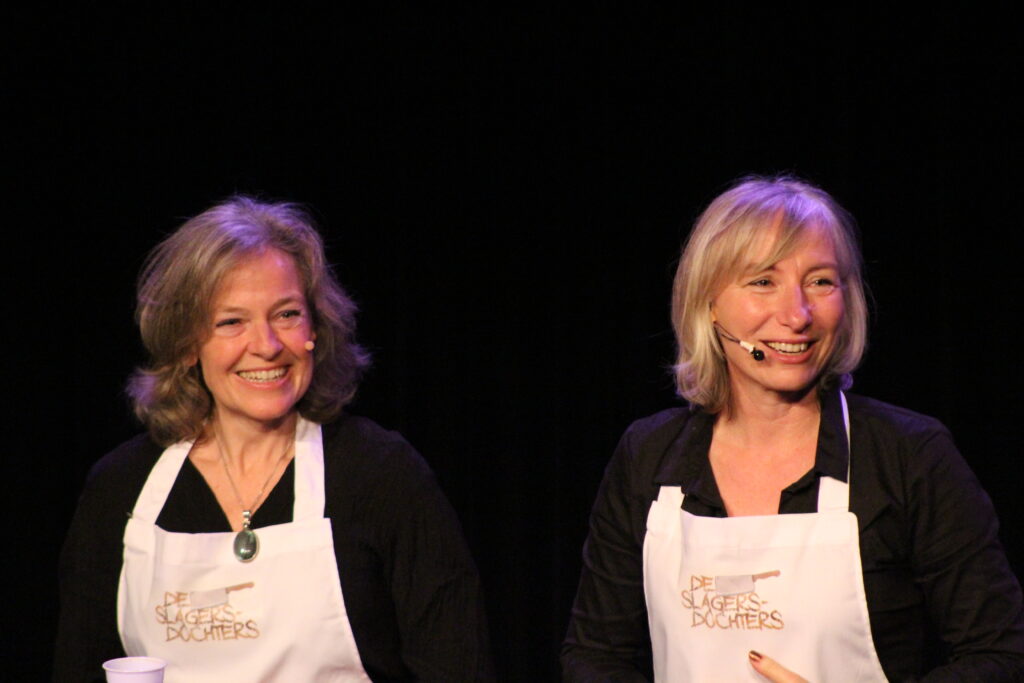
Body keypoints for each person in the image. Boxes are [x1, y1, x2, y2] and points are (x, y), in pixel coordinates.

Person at [562, 176, 1024, 681]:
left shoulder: (909, 455)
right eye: (763, 281)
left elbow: (1000, 655)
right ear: (709, 304)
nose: (797, 315)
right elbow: (595, 657)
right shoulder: (649, 455)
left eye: (821, 281)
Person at [55, 197, 494, 682]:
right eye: (231, 322)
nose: (266, 345)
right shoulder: (120, 488)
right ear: (186, 345)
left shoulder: (382, 477)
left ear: (315, 329)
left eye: (286, 314)